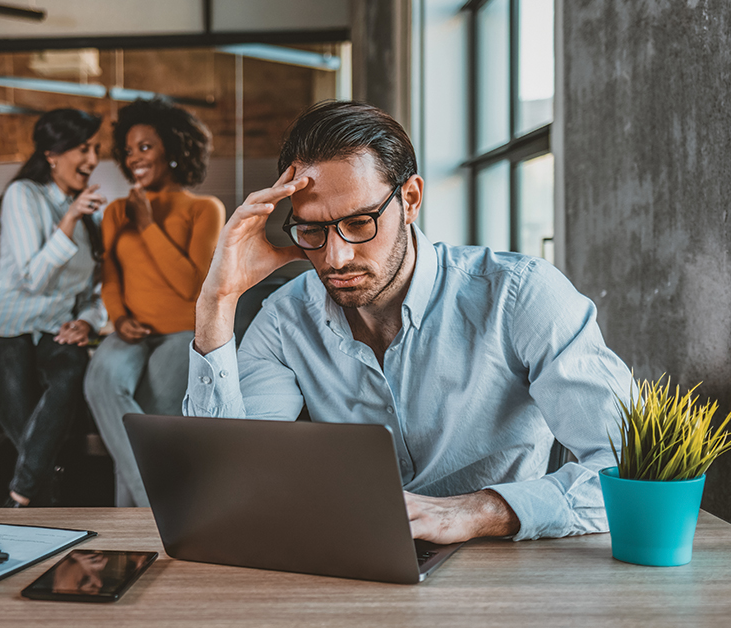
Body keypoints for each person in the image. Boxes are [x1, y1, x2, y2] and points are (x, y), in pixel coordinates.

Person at [185, 101, 632, 543]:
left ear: (411, 199)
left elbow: (633, 470)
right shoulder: (285, 321)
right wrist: (217, 300)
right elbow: (231, 487)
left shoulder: (520, 295)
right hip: (355, 564)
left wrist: (478, 512)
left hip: (499, 567)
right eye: (312, 230)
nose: (334, 258)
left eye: (359, 223)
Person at [84, 99, 225, 507]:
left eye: (145, 147)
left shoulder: (204, 209)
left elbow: (191, 285)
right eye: (128, 150)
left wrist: (147, 226)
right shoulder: (115, 212)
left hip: (182, 332)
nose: (134, 158)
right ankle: (156, 509)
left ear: (174, 149)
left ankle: (131, 533)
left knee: (144, 416)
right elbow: (111, 277)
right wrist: (119, 316)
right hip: (130, 331)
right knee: (101, 381)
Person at [0, 108, 109, 507]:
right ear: (52, 154)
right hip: (0, 334)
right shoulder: (23, 195)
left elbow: (96, 290)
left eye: (95, 149)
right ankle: (33, 505)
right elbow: (34, 279)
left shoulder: (85, 213)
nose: (93, 160)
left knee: (72, 368)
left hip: (52, 331)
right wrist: (68, 220)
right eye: (83, 149)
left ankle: (21, 497)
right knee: (36, 442)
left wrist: (87, 320)